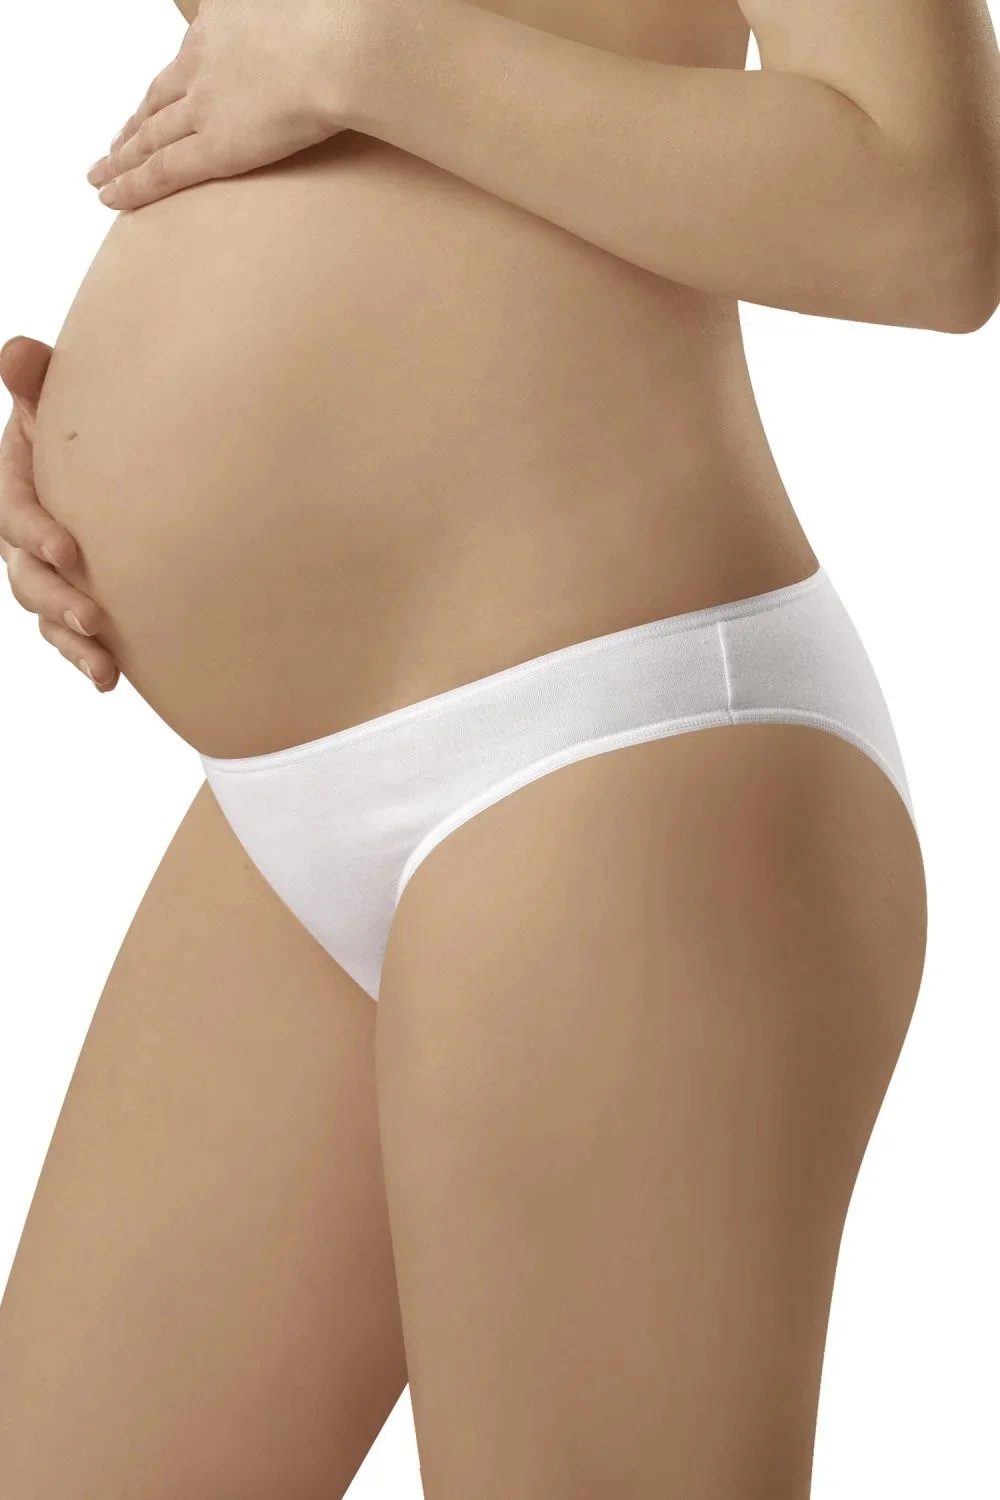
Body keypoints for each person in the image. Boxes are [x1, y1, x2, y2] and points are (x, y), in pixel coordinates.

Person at [0, 0, 997, 1494]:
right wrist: (88, 428)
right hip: (292, 814)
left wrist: (367, 55)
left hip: (605, 744)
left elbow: (923, 212)